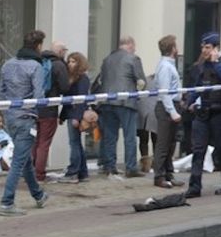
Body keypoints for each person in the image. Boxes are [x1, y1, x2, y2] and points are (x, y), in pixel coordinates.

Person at [0, 30, 49, 216]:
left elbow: (0, 91)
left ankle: (39, 195)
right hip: (26, 119)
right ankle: (6, 203)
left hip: (10, 118)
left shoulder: (8, 64)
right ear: (38, 46)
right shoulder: (36, 66)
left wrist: (6, 113)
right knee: (18, 162)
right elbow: (38, 95)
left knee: (25, 159)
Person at [185, 32, 221, 198]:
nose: (204, 50)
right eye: (203, 47)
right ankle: (194, 187)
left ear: (216, 48)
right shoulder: (202, 65)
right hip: (203, 112)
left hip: (220, 113)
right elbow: (198, 86)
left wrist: (216, 63)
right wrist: (188, 102)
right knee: (198, 150)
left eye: (207, 47)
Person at [97, 36, 147, 177]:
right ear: (130, 45)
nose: (135, 49)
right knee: (129, 136)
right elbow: (142, 81)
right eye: (134, 46)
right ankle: (131, 168)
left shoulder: (107, 59)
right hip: (126, 101)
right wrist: (140, 90)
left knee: (110, 136)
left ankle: (109, 166)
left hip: (107, 101)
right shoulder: (133, 59)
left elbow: (101, 79)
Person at [33, 41, 70, 181]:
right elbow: (65, 88)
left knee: (35, 141)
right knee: (44, 143)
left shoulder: (38, 61)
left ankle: (30, 171)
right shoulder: (59, 65)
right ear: (60, 52)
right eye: (64, 51)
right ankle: (39, 174)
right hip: (49, 110)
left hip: (35, 107)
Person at [152, 35, 184, 189]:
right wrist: (172, 111)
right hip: (166, 107)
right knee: (163, 144)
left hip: (172, 105)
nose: (177, 49)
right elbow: (164, 92)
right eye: (175, 46)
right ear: (172, 49)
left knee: (171, 143)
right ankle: (159, 176)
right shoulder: (165, 67)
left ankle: (169, 174)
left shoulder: (169, 65)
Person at [58, 52, 91, 183]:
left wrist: (76, 117)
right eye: (69, 61)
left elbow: (81, 100)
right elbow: (67, 100)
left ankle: (73, 172)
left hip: (75, 114)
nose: (70, 64)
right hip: (70, 113)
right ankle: (82, 172)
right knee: (76, 143)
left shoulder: (83, 79)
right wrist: (62, 116)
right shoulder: (70, 78)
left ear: (80, 63)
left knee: (74, 144)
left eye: (73, 61)